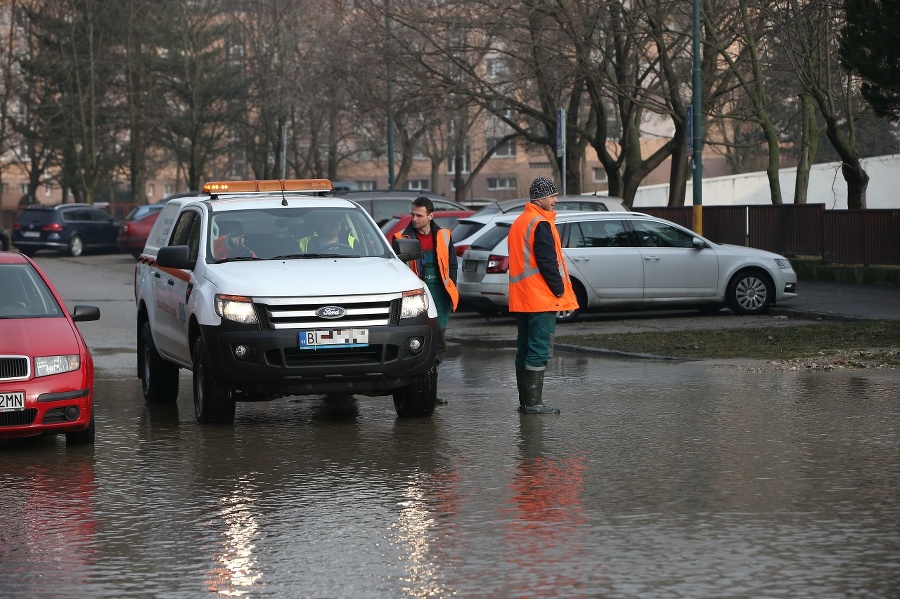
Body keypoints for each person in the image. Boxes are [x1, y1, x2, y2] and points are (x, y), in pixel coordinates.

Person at [508, 177, 578, 414]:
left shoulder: (520, 222)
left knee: (525, 349)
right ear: (541, 197)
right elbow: (547, 262)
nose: (556, 200)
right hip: (540, 298)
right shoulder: (541, 223)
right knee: (539, 349)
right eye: (553, 196)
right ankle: (533, 404)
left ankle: (525, 402)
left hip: (523, 299)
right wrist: (559, 290)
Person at [394, 196, 459, 405]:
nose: (414, 219)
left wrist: (452, 288)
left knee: (437, 344)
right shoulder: (401, 237)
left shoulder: (444, 236)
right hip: (416, 300)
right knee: (424, 345)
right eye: (413, 214)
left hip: (440, 297)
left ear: (431, 216)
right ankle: (421, 390)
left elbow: (452, 265)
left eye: (419, 215)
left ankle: (428, 390)